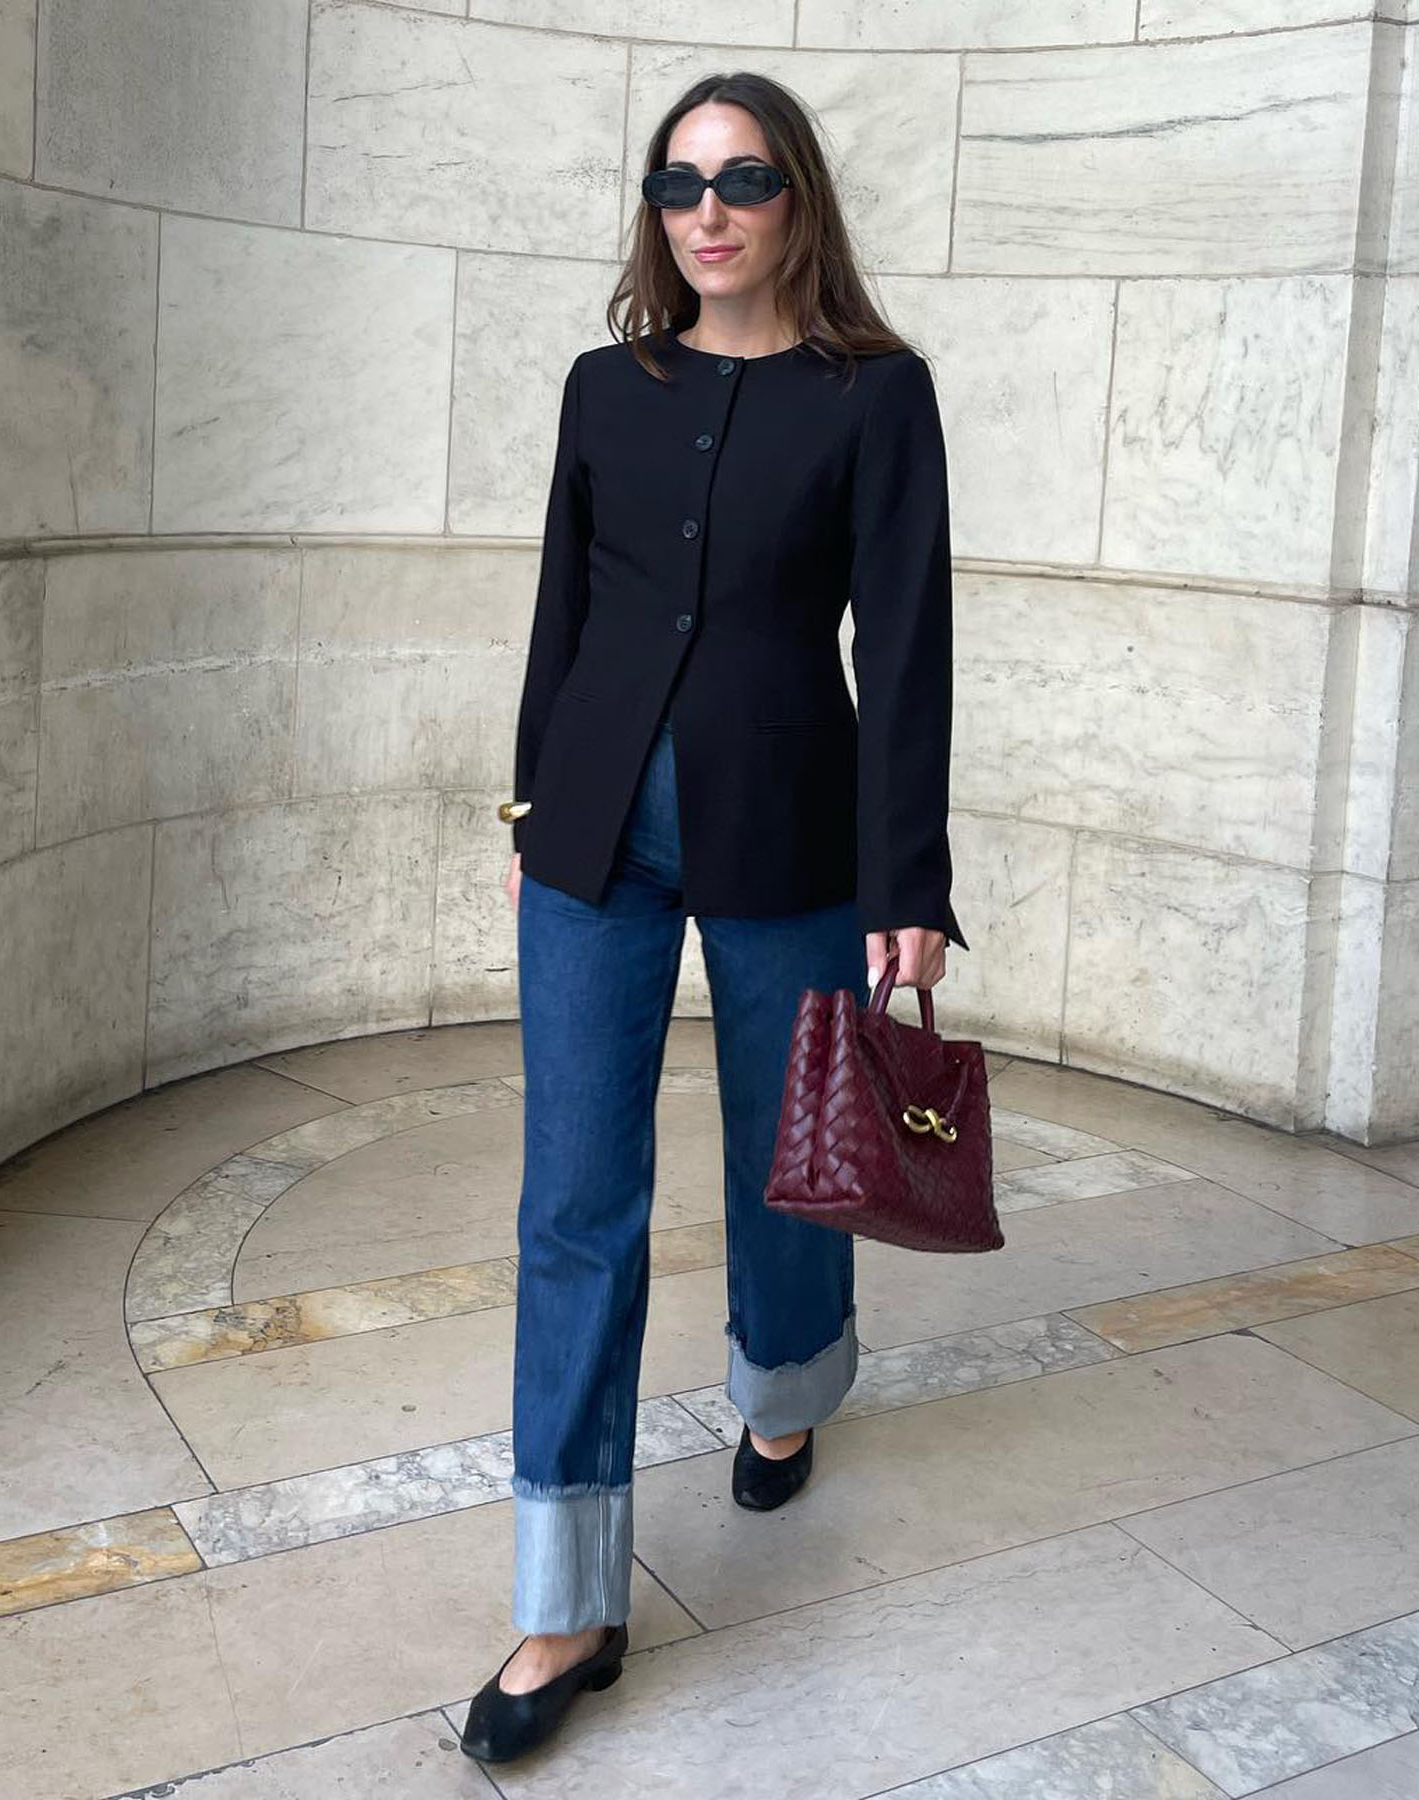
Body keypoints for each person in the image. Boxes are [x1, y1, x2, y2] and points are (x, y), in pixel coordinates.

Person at [459, 68, 969, 1766]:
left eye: (744, 179)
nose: (711, 211)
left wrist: (911, 884)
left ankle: (785, 1388)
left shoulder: (875, 400)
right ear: (656, 214)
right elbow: (563, 612)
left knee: (789, 1151)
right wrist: (536, 805)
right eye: (681, 186)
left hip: (794, 828)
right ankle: (568, 1599)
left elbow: (902, 655)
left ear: (798, 199)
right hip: (596, 835)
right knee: (576, 1196)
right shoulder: (605, 390)